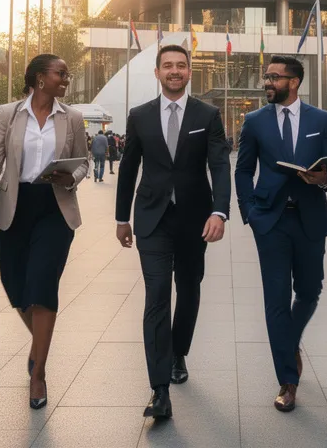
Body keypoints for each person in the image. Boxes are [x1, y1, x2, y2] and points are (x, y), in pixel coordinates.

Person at [116, 44, 231, 420]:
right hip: (151, 218)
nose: (175, 71)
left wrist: (220, 211)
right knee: (157, 296)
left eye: (181, 65)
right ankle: (159, 389)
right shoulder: (139, 116)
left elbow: (220, 164)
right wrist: (121, 218)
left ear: (189, 71)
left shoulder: (208, 114)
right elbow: (129, 167)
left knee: (190, 289)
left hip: (194, 220)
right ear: (157, 72)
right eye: (168, 66)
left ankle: (179, 349)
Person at [0, 54, 89, 410]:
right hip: (16, 207)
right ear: (39, 79)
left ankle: (38, 374)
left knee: (41, 287)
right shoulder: (8, 114)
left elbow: (83, 162)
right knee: (15, 287)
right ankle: (40, 346)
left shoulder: (72, 117)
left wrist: (72, 175)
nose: (65, 79)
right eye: (61, 73)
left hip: (55, 207)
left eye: (66, 74)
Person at [235, 55, 327, 412]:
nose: (268, 82)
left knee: (310, 291)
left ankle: (289, 340)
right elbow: (243, 170)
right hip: (271, 222)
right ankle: (287, 380)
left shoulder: (321, 119)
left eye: (274, 77)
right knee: (276, 299)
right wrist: (249, 211)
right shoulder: (254, 121)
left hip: (310, 217)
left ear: (294, 82)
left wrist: (323, 177)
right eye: (267, 76)